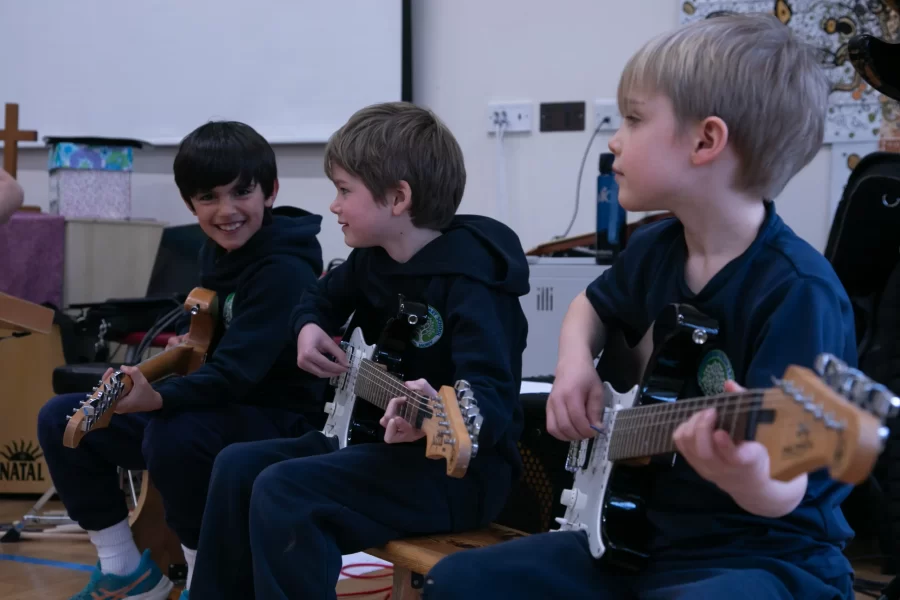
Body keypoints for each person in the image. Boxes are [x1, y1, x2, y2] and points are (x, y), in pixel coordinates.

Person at [423, 13, 859, 600]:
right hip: (636, 539)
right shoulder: (656, 246)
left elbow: (788, 488)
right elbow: (590, 306)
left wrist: (748, 472)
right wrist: (576, 363)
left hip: (766, 560)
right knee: (458, 583)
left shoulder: (799, 291)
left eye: (633, 118)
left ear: (706, 141)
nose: (613, 139)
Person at [188, 101, 530, 600]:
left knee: (284, 490)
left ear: (397, 198)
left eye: (344, 191)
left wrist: (425, 416)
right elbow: (318, 297)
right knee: (237, 465)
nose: (333, 205)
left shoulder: (475, 282)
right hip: (371, 446)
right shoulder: (372, 259)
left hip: (456, 475)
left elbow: (490, 402)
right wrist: (308, 326)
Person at [36, 121, 328, 600]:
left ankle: (203, 579)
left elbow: (236, 375)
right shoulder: (218, 253)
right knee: (63, 419)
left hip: (280, 417)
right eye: (208, 198)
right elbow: (214, 345)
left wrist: (157, 397)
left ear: (271, 191)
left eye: (242, 193)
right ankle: (125, 570)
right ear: (189, 203)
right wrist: (178, 356)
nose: (226, 210)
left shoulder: (284, 269)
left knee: (174, 436)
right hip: (220, 406)